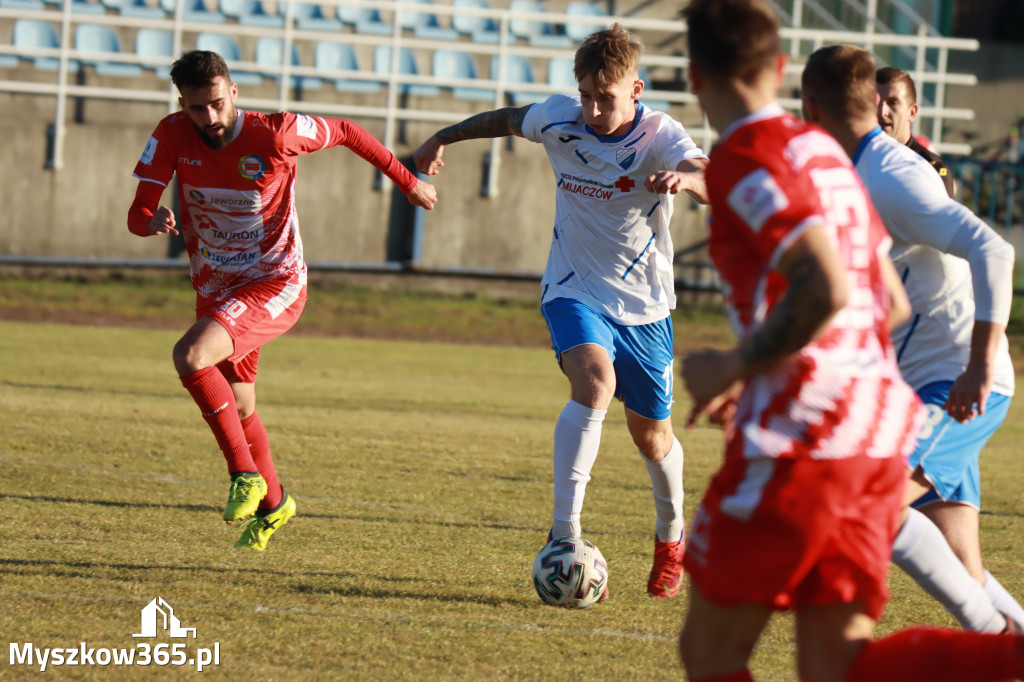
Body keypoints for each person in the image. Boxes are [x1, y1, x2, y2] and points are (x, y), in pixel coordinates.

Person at [677, 2, 1024, 681]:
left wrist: (737, 366)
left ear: (693, 76)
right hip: (872, 430)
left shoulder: (747, 156)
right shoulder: (827, 156)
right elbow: (885, 301)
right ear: (778, 70)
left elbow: (826, 289)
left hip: (803, 444)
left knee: (710, 653)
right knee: (836, 666)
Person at [414, 24, 708, 599]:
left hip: (646, 307)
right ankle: (563, 534)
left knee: (653, 439)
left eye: (608, 97)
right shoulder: (557, 120)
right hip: (573, 289)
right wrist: (441, 138)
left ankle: (671, 537)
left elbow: (712, 172)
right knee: (595, 384)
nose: (596, 110)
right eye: (587, 96)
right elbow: (502, 119)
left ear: (637, 88)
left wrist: (689, 179)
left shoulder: (660, 133)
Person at [128, 50, 437, 551]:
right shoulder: (170, 133)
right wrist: (151, 219)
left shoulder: (277, 133)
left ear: (234, 93)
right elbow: (137, 212)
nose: (209, 118)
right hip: (215, 286)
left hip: (275, 281)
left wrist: (407, 182)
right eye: (196, 108)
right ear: (181, 104)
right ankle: (275, 505)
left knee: (190, 356)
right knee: (241, 404)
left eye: (216, 104)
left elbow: (348, 131)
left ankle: (243, 476)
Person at [803, 44, 1024, 636]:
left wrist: (978, 365)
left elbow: (995, 249)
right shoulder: (849, 171)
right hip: (918, 384)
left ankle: (996, 645)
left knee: (869, 502)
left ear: (808, 105)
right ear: (874, 103)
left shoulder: (895, 175)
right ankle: (1010, 635)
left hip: (954, 382)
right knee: (958, 558)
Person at [875, 67, 956, 197]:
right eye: (875, 102)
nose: (882, 111)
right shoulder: (852, 158)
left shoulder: (933, 169)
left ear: (912, 113)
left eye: (892, 103)